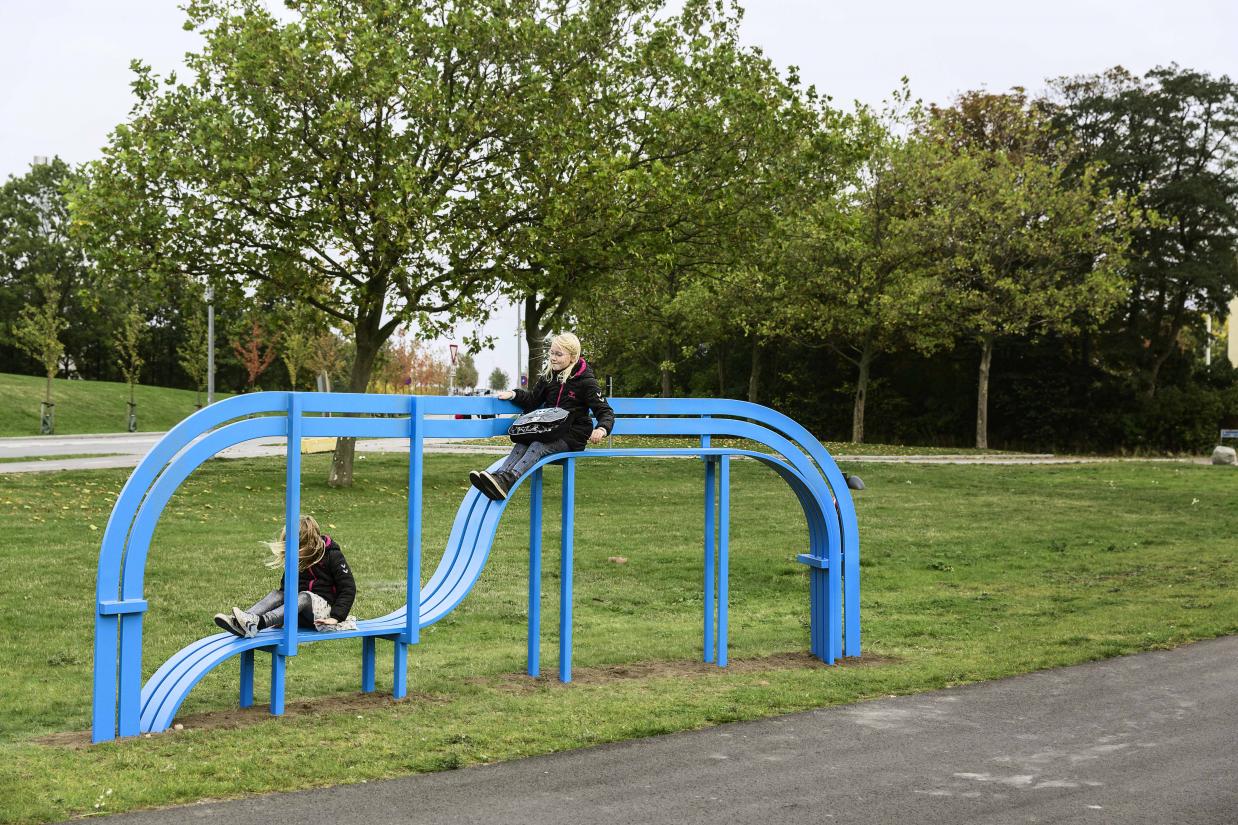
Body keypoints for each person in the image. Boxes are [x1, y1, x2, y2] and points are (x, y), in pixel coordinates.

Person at [470, 332, 614, 501]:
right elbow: (532, 400)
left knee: (538, 445)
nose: (553, 358)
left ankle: (509, 480)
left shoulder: (586, 382)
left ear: (573, 357)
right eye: (551, 353)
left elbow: (605, 411)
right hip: (550, 429)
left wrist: (602, 429)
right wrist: (514, 395)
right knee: (522, 441)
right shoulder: (549, 377)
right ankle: (497, 478)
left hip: (572, 434)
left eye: (558, 354)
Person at [213, 515, 356, 638]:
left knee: (305, 596)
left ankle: (258, 623)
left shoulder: (332, 555)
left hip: (325, 615)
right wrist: (281, 617)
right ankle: (244, 620)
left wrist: (335, 617)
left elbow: (348, 588)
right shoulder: (297, 559)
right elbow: (286, 589)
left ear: (310, 542)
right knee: (278, 594)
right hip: (301, 614)